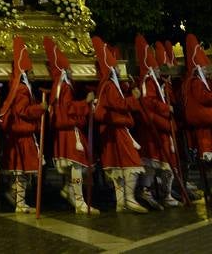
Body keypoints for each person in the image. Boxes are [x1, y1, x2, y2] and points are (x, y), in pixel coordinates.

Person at [43, 36, 96, 214]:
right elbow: (68, 108)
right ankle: (79, 201)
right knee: (77, 165)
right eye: (70, 68)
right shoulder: (64, 87)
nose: (73, 71)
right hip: (69, 131)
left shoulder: (62, 86)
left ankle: (69, 191)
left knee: (74, 166)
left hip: (66, 131)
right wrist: (85, 102)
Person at [92, 36, 146, 213]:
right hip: (117, 130)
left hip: (116, 129)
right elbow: (118, 104)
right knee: (131, 162)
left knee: (119, 165)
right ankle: (128, 199)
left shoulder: (110, 85)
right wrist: (134, 99)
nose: (118, 69)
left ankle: (121, 202)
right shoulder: (109, 85)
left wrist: (128, 89)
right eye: (115, 67)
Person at [0, 36, 46, 213]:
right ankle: (20, 203)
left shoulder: (19, 88)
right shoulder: (22, 89)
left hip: (20, 135)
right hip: (22, 136)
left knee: (21, 171)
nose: (34, 75)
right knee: (22, 171)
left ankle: (16, 198)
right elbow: (23, 111)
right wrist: (40, 108)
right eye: (31, 72)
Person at [133, 34, 179, 210]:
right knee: (152, 163)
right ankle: (145, 190)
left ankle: (166, 193)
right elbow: (148, 102)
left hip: (162, 129)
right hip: (152, 129)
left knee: (168, 163)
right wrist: (166, 109)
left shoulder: (158, 82)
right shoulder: (148, 82)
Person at [182, 33, 212, 164]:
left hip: (202, 114)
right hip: (200, 114)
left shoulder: (198, 80)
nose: (206, 70)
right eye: (204, 68)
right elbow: (203, 97)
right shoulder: (196, 82)